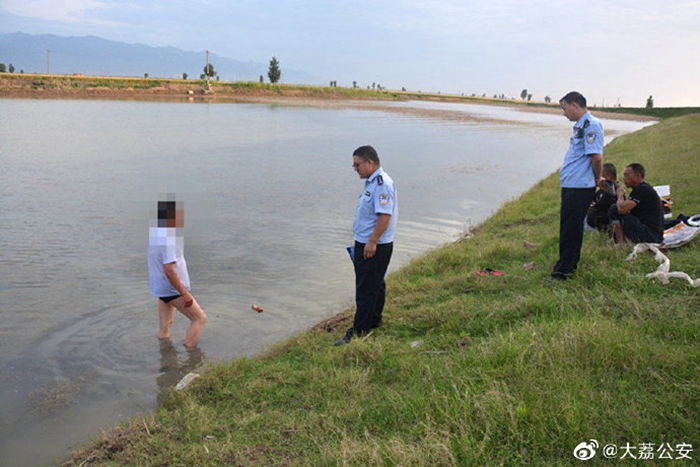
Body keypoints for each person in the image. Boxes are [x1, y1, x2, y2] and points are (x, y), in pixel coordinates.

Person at [336, 145, 397, 346]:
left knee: (365, 289)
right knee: (376, 284)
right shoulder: (372, 182)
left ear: (369, 162)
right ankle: (374, 320)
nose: (355, 169)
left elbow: (385, 216)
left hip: (373, 246)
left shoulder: (382, 184)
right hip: (369, 244)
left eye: (357, 165)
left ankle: (359, 331)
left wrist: (371, 242)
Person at [551, 91, 605, 281]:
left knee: (571, 229)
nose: (564, 113)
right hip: (573, 185)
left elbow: (596, 157)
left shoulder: (591, 125)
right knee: (568, 227)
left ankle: (564, 272)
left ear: (575, 105)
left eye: (565, 109)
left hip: (579, 187)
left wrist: (598, 178)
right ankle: (565, 265)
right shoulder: (581, 126)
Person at [148, 200, 207, 348]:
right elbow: (169, 270)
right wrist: (184, 294)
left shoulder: (156, 234)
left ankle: (166, 358)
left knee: (165, 327)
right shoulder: (169, 240)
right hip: (172, 289)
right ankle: (190, 356)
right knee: (199, 318)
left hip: (161, 288)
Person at [608, 163, 664, 244]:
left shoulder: (642, 189)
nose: (624, 178)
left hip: (652, 236)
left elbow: (622, 209)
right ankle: (619, 239)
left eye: (627, 175)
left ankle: (621, 243)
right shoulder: (639, 189)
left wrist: (620, 195)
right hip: (651, 233)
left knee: (614, 209)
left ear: (637, 176)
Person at [586, 163, 619, 231]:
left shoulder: (613, 190)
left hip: (603, 222)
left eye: (598, 176)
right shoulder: (602, 190)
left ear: (608, 176)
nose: (596, 179)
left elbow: (602, 206)